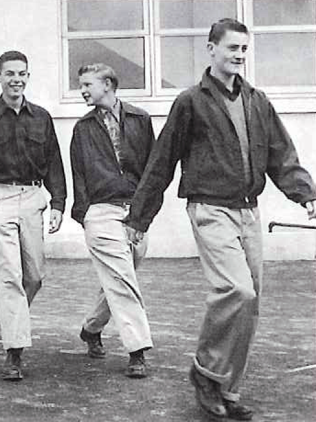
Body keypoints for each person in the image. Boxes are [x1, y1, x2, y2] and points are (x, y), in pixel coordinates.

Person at [124, 18, 316, 420]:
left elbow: (281, 154)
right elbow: (162, 161)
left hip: (249, 210)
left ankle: (226, 390)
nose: (239, 56)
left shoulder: (257, 100)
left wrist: (307, 195)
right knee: (237, 291)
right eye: (232, 49)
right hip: (210, 209)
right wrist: (139, 217)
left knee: (252, 302)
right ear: (211, 50)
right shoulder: (190, 101)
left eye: (244, 50)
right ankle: (206, 370)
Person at [0, 50, 67, 381]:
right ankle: (15, 353)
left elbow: (54, 162)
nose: (16, 79)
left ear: (28, 76)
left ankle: (15, 323)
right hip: (1, 198)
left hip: (33, 198)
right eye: (9, 73)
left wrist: (57, 204)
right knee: (8, 276)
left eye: (22, 73)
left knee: (34, 276)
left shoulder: (41, 117)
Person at [70, 63, 154, 379]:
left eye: (87, 84)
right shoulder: (83, 128)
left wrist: (143, 215)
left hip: (135, 211)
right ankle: (138, 349)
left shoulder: (140, 119)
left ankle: (91, 329)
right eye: (80, 85)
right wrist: (85, 214)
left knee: (120, 276)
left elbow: (153, 169)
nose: (82, 90)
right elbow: (78, 173)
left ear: (108, 83)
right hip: (100, 212)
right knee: (121, 278)